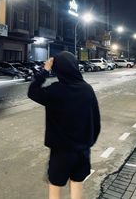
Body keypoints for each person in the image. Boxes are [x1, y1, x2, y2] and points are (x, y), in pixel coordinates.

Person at [28, 51, 101, 199]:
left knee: (55, 187)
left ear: (58, 69)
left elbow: (32, 91)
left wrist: (44, 71)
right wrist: (88, 143)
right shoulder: (87, 89)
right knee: (77, 184)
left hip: (60, 153)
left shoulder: (55, 90)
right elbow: (96, 121)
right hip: (82, 151)